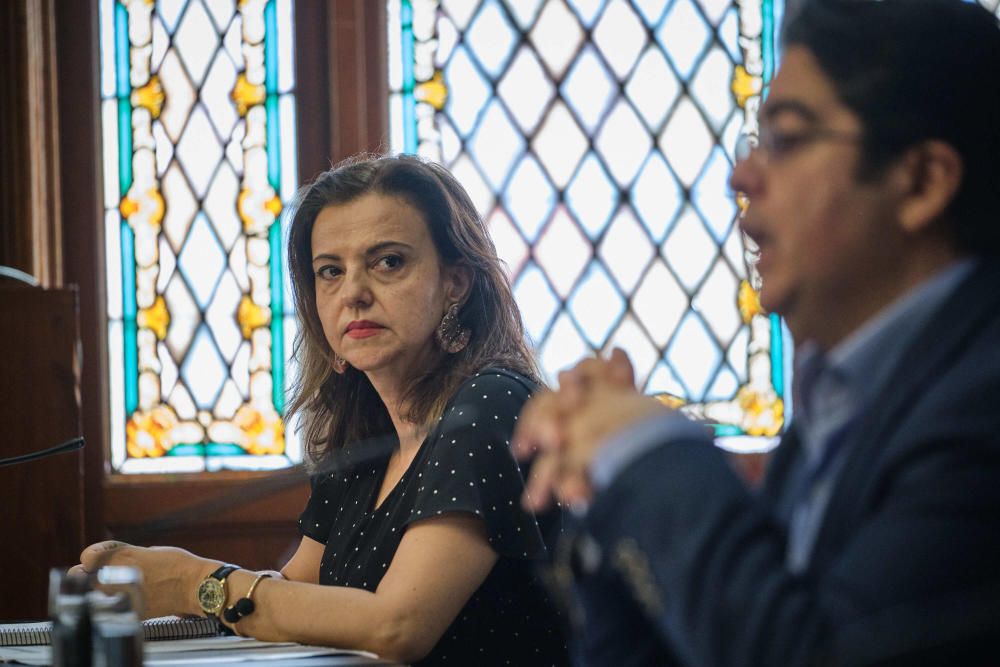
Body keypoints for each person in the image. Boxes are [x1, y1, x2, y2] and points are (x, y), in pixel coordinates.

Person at [513, 1, 1000, 664]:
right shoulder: (839, 392)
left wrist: (648, 447)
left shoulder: (981, 399)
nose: (740, 176)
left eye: (789, 140)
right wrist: (612, 496)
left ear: (920, 182)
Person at [74, 155, 568, 665]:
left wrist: (194, 582)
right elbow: (291, 594)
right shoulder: (365, 436)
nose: (352, 293)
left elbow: (398, 627)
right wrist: (158, 588)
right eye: (330, 271)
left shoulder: (490, 406)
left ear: (456, 283)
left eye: (388, 262)